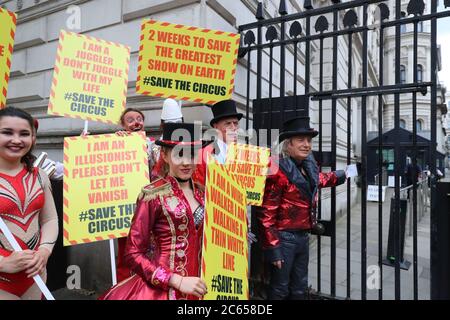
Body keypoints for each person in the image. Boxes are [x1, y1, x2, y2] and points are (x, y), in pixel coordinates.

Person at [100, 123, 208, 300]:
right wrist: (175, 280)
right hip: (161, 290)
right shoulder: (152, 194)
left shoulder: (205, 194)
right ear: (164, 155)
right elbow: (133, 253)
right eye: (178, 154)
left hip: (200, 287)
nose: (187, 162)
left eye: (192, 154)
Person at [257, 116, 346, 300]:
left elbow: (319, 181)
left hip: (303, 237)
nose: (307, 145)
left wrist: (344, 174)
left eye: (309, 140)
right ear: (288, 145)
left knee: (299, 288)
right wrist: (274, 249)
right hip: (284, 239)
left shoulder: (307, 166)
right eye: (301, 140)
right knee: (280, 289)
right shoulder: (278, 171)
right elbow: (266, 214)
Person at [115, 100, 183, 282]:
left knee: (153, 253)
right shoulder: (120, 142)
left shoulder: (153, 144)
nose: (136, 122)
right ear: (122, 125)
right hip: (126, 206)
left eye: (139, 119)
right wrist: (119, 142)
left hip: (157, 209)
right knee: (128, 251)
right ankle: (124, 287)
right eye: (130, 120)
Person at [0, 107, 58, 300]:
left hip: (35, 275)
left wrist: (44, 251)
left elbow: (49, 220)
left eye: (24, 134)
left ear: (33, 139)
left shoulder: (39, 175)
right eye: (7, 132)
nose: (16, 140)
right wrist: (2, 263)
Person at [192, 99, 242, 186]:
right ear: (216, 126)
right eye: (228, 123)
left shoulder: (246, 153)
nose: (233, 127)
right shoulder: (203, 154)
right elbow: (198, 186)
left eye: (236, 123)